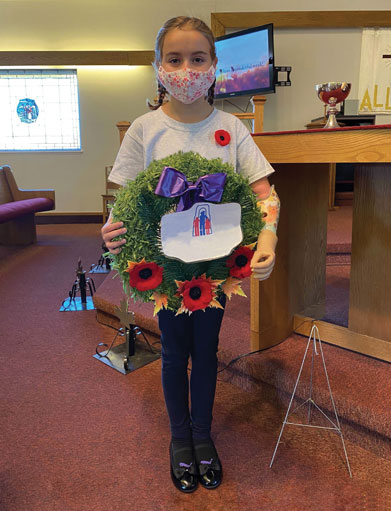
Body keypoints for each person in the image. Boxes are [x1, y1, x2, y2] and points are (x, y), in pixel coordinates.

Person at [101, 16, 280, 493]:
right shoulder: (144, 129)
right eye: (174, 59)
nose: (186, 69)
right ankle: (180, 439)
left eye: (197, 59)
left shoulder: (231, 129)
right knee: (174, 350)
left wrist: (268, 238)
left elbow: (264, 193)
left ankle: (203, 436)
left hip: (216, 268)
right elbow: (125, 200)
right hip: (166, 269)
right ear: (158, 67)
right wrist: (111, 227)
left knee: (208, 351)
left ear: (214, 66)